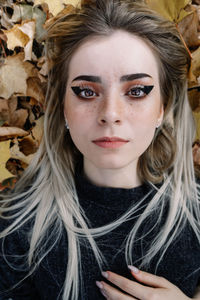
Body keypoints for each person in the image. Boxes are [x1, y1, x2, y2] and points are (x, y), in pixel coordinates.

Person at [0, 0, 200, 299]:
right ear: (63, 108)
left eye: (136, 91)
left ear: (163, 107)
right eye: (86, 92)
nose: (110, 113)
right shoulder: (14, 229)